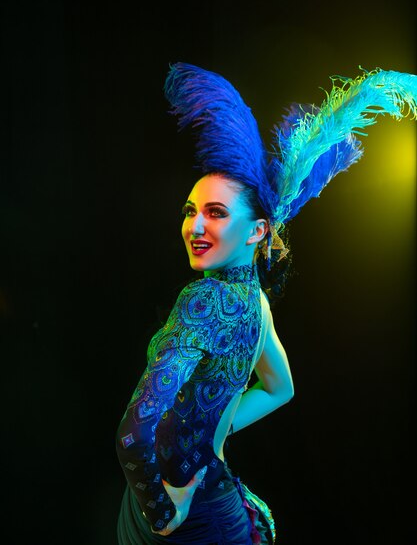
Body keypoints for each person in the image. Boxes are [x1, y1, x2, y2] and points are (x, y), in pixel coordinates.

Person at [116, 63, 417, 544]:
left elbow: (133, 435)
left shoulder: (203, 302)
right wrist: (210, 433)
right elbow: (280, 388)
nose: (194, 226)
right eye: (190, 210)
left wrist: (159, 510)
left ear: (257, 231)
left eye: (215, 213)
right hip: (210, 502)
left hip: (183, 521)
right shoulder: (255, 302)